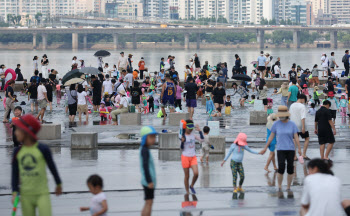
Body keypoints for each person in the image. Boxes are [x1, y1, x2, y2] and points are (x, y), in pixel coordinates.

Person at [11, 114, 62, 216]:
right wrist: (15, 191)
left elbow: (52, 167)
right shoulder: (17, 151)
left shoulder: (43, 149)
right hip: (26, 195)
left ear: (26, 132)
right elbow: (15, 174)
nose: (15, 133)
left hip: (42, 193)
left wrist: (58, 183)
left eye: (17, 129)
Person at [260, 106, 302, 191]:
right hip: (280, 149)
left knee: (290, 168)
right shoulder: (276, 124)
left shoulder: (292, 124)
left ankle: (288, 187)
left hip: (290, 149)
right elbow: (271, 136)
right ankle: (279, 186)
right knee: (281, 167)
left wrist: (299, 149)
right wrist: (265, 148)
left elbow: (296, 137)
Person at [180, 120, 204, 194]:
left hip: (193, 157)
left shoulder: (193, 135)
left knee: (196, 173)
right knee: (187, 176)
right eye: (189, 128)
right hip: (185, 157)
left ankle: (192, 185)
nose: (190, 129)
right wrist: (182, 142)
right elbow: (181, 148)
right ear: (185, 127)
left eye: (191, 128)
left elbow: (202, 140)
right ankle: (187, 192)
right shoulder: (182, 136)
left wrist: (200, 131)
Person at [139, 126, 158, 216]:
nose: (153, 139)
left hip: (147, 181)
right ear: (144, 138)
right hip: (148, 181)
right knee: (149, 203)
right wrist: (149, 181)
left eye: (154, 137)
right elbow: (145, 166)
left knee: (148, 202)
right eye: (151, 137)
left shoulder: (145, 149)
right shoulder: (144, 150)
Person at [290, 94, 310, 160]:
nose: (304, 102)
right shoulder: (302, 106)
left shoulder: (292, 105)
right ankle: (304, 154)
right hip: (300, 125)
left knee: (294, 140)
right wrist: (303, 127)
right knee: (307, 138)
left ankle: (294, 156)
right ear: (302, 99)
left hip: (293, 125)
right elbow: (303, 117)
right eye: (304, 100)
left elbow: (289, 116)